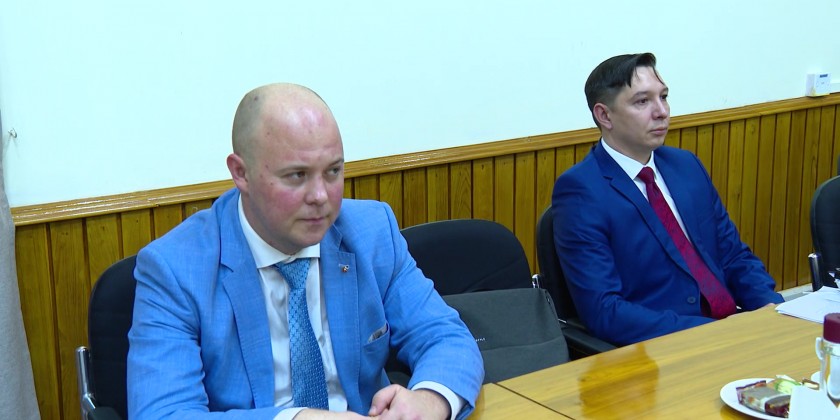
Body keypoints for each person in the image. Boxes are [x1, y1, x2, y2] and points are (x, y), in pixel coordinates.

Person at [127, 83, 483, 419]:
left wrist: (429, 400)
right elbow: (163, 414)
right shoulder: (175, 269)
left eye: (333, 171)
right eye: (297, 175)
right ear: (241, 173)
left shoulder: (371, 232)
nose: (321, 196)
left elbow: (445, 337)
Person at [551, 53, 784, 346]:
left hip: (733, 331)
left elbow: (733, 256)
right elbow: (605, 311)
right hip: (664, 348)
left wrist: (770, 308)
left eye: (663, 97)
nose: (661, 111)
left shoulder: (686, 166)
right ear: (605, 116)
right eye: (642, 101)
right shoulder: (581, 191)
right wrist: (712, 332)